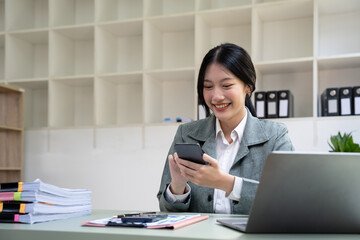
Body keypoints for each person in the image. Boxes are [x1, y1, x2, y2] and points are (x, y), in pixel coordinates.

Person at [157, 43, 294, 214]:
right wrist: (178, 187)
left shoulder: (275, 136)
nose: (216, 96)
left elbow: (288, 201)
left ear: (249, 85)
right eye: (208, 87)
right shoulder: (187, 134)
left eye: (227, 85)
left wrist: (224, 183)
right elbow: (165, 210)